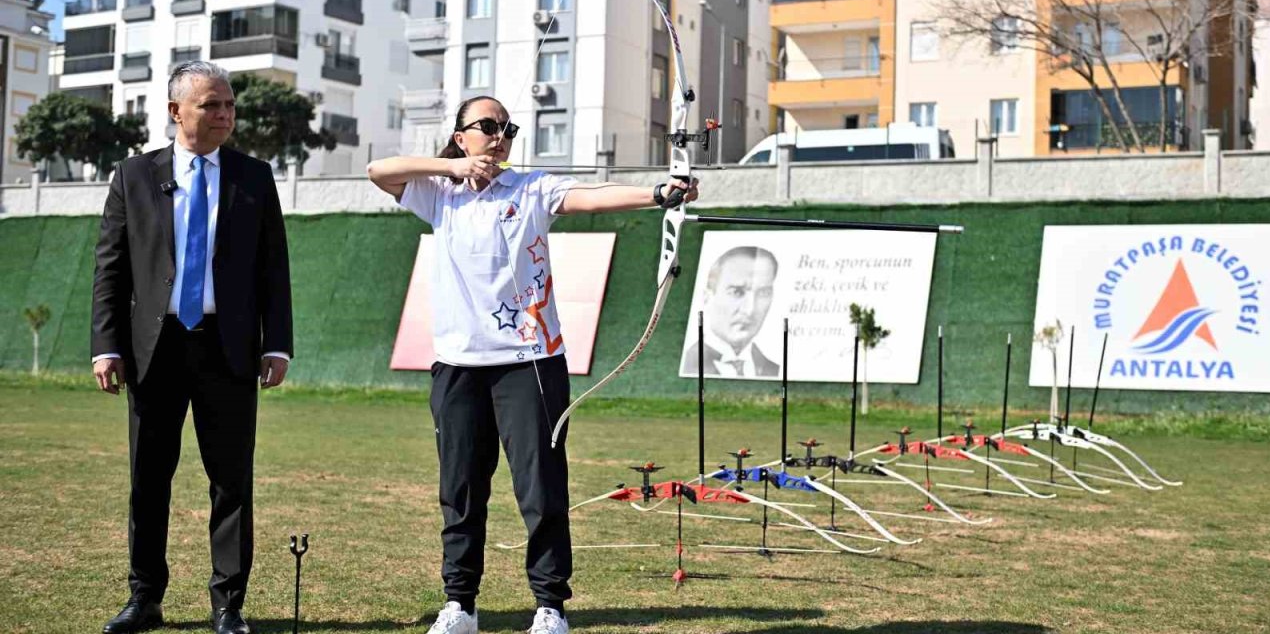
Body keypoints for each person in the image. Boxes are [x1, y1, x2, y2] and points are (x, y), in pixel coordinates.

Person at [367, 95, 698, 634]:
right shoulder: (437, 194)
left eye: (508, 129)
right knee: (461, 488)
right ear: (461, 135)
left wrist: (658, 193)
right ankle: (461, 605)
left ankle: (549, 606)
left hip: (530, 360)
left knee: (540, 489)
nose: (499, 137)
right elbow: (378, 170)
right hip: (457, 363)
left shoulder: (532, 188)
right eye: (488, 127)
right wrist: (451, 166)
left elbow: (592, 196)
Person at [91, 61, 292, 634]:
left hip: (228, 350)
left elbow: (272, 268)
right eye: (211, 105)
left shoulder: (254, 177)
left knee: (231, 481)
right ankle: (144, 597)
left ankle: (229, 605)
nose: (225, 115)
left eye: (229, 105)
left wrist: (277, 343)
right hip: (153, 349)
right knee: (148, 479)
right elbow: (111, 268)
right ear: (176, 111)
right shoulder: (133, 175)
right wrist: (106, 346)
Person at [681, 246, 779, 378]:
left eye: (763, 293)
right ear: (707, 299)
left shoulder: (774, 370)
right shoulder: (688, 363)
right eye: (737, 292)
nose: (749, 310)